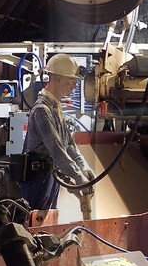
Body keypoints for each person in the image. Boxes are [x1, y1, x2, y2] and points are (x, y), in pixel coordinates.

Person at [21, 53, 95, 222]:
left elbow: (68, 144)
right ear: (58, 79)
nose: (75, 85)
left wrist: (84, 167)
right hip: (37, 178)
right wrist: (79, 178)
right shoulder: (42, 110)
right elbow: (56, 149)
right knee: (35, 221)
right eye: (71, 80)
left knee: (49, 219)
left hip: (49, 174)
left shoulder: (55, 108)